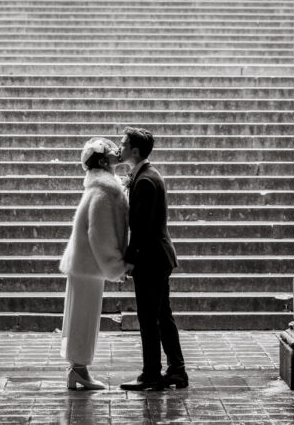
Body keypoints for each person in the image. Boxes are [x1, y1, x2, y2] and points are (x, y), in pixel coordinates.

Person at [118, 126, 188, 391]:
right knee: (161, 315)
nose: (119, 148)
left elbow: (142, 228)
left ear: (134, 151)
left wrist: (130, 260)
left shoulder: (145, 180)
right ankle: (177, 371)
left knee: (149, 319)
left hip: (151, 259)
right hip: (158, 257)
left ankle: (151, 375)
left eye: (123, 144)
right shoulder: (147, 174)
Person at [58, 137, 129, 390]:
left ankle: (77, 371)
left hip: (84, 265)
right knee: (84, 319)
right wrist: (117, 266)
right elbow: (100, 235)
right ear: (101, 160)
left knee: (81, 316)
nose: (115, 151)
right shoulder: (102, 191)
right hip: (88, 266)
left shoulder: (100, 188)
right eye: (109, 150)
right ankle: (79, 371)